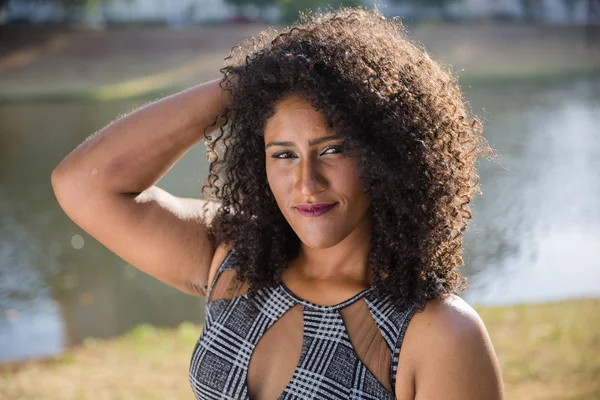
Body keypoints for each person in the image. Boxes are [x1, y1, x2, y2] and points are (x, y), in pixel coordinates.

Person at [51, 7, 504, 400]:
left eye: (332, 150)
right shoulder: (234, 257)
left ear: (387, 156)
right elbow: (83, 185)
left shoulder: (438, 333)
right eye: (283, 154)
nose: (306, 183)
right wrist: (254, 83)